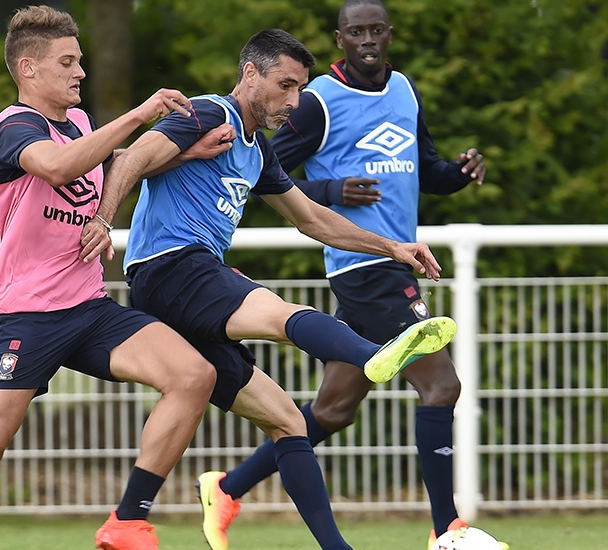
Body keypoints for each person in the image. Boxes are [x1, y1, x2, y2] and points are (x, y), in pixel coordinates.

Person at [80, 27, 458, 550]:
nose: (294, 101)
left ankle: (128, 521)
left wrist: (392, 247)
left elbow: (313, 220)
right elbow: (129, 158)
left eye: (301, 88)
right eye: (285, 85)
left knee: (287, 421)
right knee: (279, 313)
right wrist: (103, 220)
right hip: (170, 268)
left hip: (185, 282)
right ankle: (378, 353)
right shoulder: (210, 113)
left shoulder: (257, 152)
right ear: (250, 74)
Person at [0, 6, 236, 550]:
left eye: (81, 61)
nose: (80, 73)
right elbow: (61, 167)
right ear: (28, 69)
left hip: (89, 308)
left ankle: (128, 521)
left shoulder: (79, 125)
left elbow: (106, 162)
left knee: (192, 376)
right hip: (28, 313)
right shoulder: (12, 128)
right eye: (67, 62)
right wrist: (140, 114)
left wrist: (183, 152)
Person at [202, 2, 506, 550]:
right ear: (340, 39)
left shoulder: (404, 91)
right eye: (356, 31)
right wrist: (331, 190)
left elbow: (426, 171)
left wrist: (458, 173)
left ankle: (226, 488)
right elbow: (267, 169)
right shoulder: (317, 99)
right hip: (367, 268)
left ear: (389, 36)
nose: (367, 39)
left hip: (391, 263)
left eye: (376, 30)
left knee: (333, 409)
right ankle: (447, 531)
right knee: (442, 387)